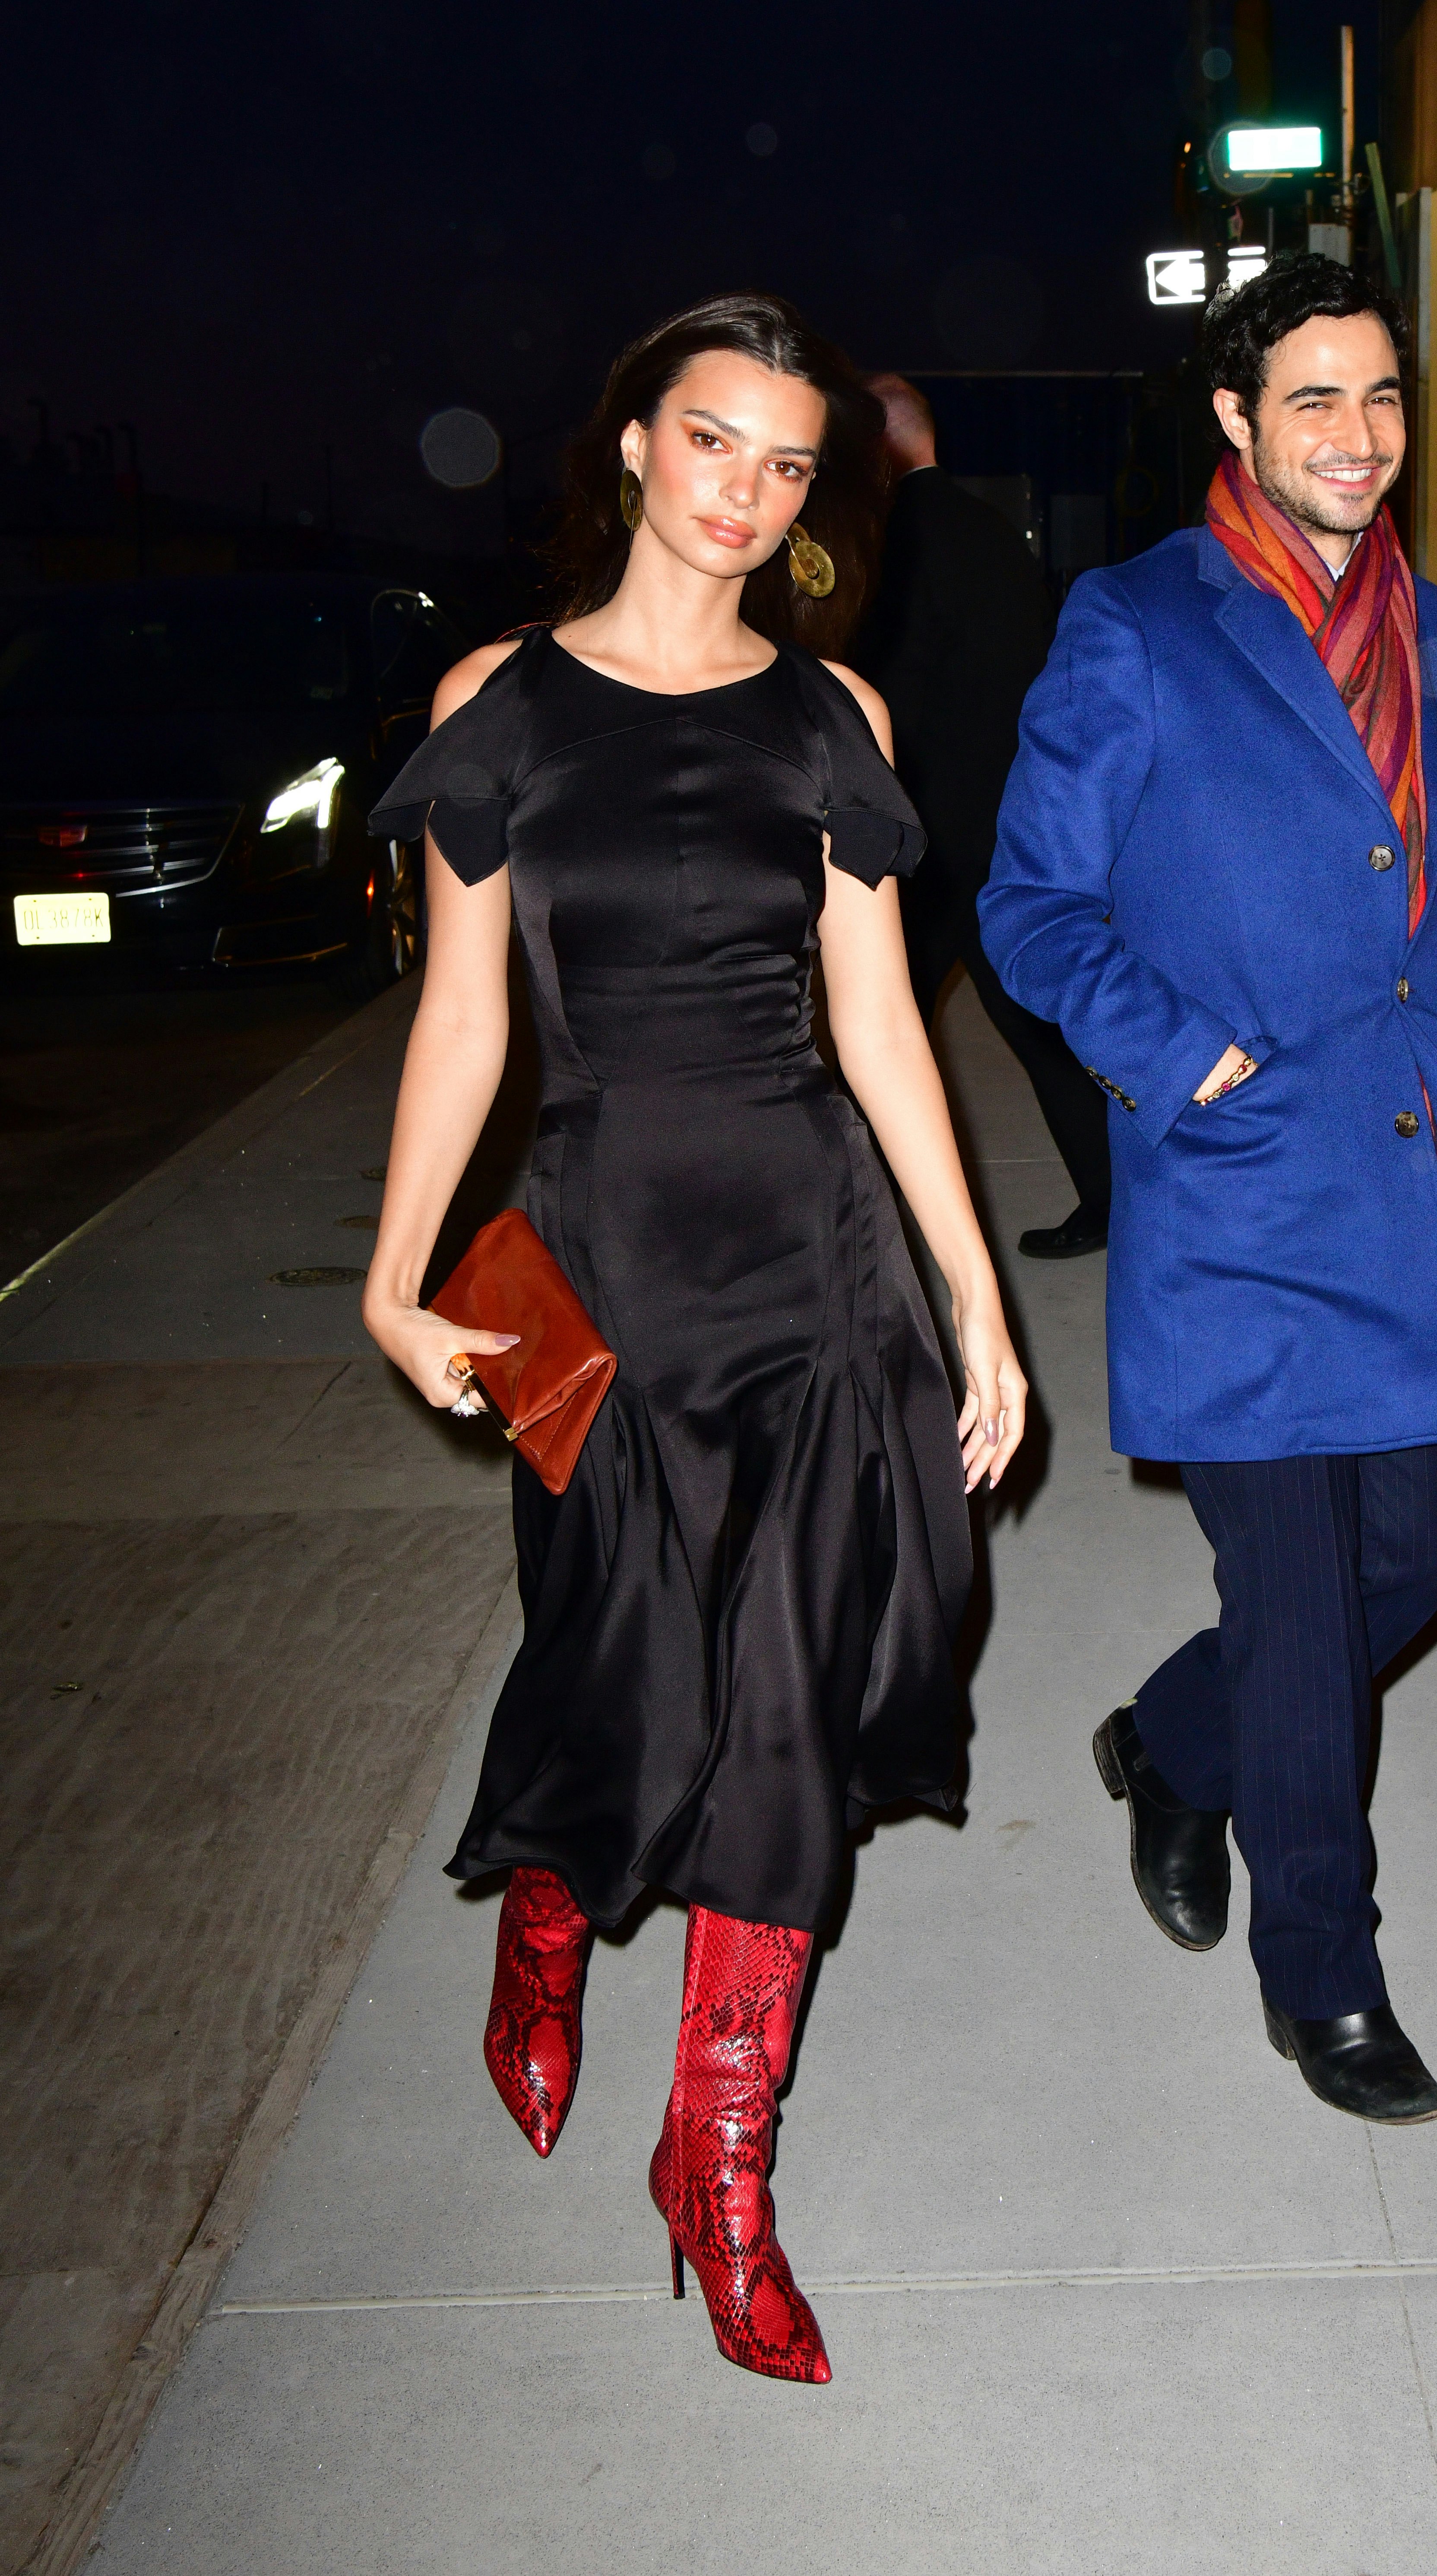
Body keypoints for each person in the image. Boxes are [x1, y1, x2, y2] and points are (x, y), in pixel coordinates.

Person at [361, 294, 1026, 2382]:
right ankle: (544, 1911)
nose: (746, 491)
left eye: (787, 464)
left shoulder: (831, 717)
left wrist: (971, 1286)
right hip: (590, 1266)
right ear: (638, 443)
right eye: (713, 441)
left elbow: (876, 1020)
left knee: (784, 1718)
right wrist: (397, 1271)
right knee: (614, 1666)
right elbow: (468, 1015)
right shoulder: (502, 701)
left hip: (817, 1268)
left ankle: (717, 2165)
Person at [979, 255, 1437, 2125]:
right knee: (1307, 1618)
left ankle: (1169, 1742)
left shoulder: (1432, 627)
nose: (1358, 437)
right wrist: (1183, 1057)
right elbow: (1030, 907)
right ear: (1234, 421)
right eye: (1312, 398)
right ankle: (1321, 1978)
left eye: (1380, 396)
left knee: (1421, 1541)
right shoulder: (1135, 624)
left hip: (1411, 1178)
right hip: (1240, 1199)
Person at [848, 374, 1113, 1259]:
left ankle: (851, 1223)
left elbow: (896, 702)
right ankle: (1114, 1201)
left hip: (932, 841)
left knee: (867, 1030)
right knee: (1037, 1032)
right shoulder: (996, 530)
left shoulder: (893, 546)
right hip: (1010, 823)